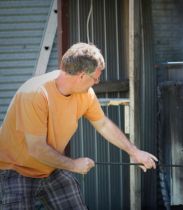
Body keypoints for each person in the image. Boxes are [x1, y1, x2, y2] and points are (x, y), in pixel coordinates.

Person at [0, 42, 158, 209]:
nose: (97, 82)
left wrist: (134, 152)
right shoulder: (35, 94)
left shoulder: (85, 94)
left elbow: (103, 124)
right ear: (82, 76)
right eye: (96, 77)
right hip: (15, 169)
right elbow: (37, 149)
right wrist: (74, 165)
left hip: (50, 168)